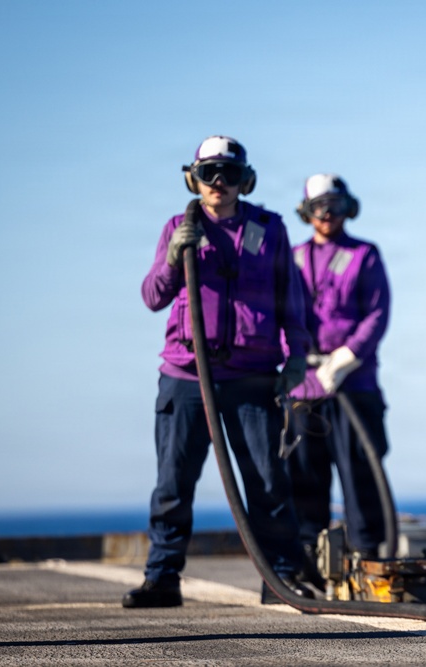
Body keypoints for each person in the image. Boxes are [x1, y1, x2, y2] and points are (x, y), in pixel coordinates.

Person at [126, 135, 315, 608]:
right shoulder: (177, 226)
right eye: (209, 172)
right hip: (187, 378)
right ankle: (163, 579)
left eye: (228, 174)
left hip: (252, 378)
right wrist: (173, 258)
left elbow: (290, 300)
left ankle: (282, 579)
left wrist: (296, 358)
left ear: (243, 180)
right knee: (173, 483)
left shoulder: (268, 230)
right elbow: (152, 297)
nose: (218, 183)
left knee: (268, 482)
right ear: (194, 177)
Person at [285, 174, 392, 588]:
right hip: (302, 388)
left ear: (348, 206)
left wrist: (343, 361)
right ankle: (305, 564)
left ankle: (368, 563)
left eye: (334, 204)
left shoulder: (365, 255)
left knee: (360, 474)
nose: (326, 213)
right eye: (318, 206)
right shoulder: (290, 259)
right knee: (303, 475)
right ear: (306, 212)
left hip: (355, 384)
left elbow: (377, 315)